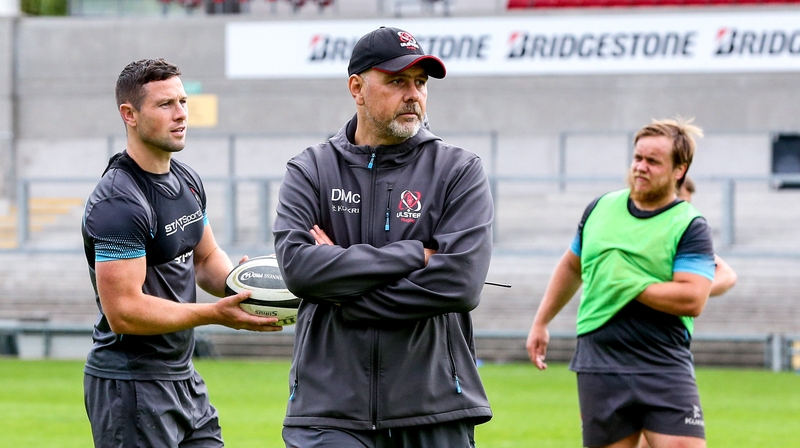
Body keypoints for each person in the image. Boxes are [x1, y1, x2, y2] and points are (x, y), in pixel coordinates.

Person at [273, 26, 494, 448]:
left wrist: (343, 292)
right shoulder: (310, 170)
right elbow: (300, 271)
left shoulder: (459, 171)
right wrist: (414, 254)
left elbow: (460, 285)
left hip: (434, 409)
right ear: (357, 87)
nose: (413, 94)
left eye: (421, 82)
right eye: (397, 81)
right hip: (328, 411)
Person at [81, 58, 282, 448]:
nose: (181, 115)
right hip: (131, 384)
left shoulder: (186, 179)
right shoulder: (118, 201)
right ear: (130, 114)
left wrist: (241, 289)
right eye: (165, 105)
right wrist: (215, 314)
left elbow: (206, 259)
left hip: (182, 378)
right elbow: (122, 311)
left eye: (183, 102)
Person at [526, 118, 715, 448]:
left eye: (653, 161)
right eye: (637, 157)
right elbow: (572, 265)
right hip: (601, 359)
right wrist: (541, 322)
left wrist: (627, 283)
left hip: (663, 359)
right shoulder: (601, 208)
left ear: (679, 170)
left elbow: (693, 298)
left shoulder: (689, 225)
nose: (641, 167)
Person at [678, 176, 737, 297]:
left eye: (687, 204)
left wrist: (691, 294)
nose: (684, 210)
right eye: (680, 203)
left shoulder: (685, 234)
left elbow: (727, 275)